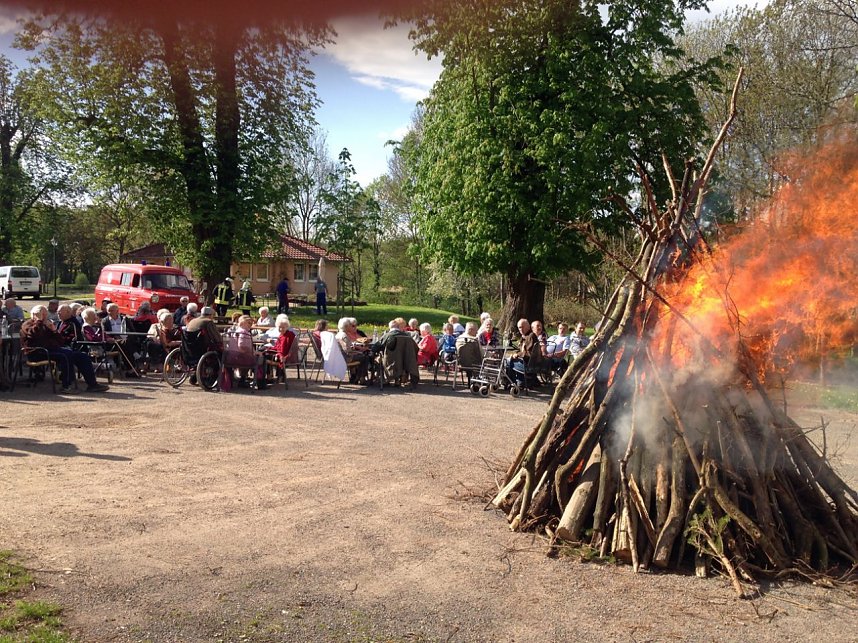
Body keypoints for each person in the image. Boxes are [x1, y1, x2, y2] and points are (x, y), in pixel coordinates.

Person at [19, 304, 109, 393]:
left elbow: (60, 341)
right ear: (35, 314)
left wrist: (54, 330)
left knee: (82, 356)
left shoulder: (46, 324)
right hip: (37, 352)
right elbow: (35, 335)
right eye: (43, 314)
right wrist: (39, 321)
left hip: (51, 350)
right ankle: (66, 386)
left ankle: (92, 384)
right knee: (65, 355)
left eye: (46, 314)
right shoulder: (27, 324)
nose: (45, 316)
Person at [506, 318, 541, 386]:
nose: (521, 329)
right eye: (519, 328)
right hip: (528, 363)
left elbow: (528, 353)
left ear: (528, 326)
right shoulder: (525, 336)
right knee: (511, 359)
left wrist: (517, 355)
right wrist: (516, 353)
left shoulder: (531, 336)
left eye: (523, 327)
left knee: (507, 362)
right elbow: (522, 350)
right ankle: (520, 381)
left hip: (530, 365)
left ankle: (511, 383)